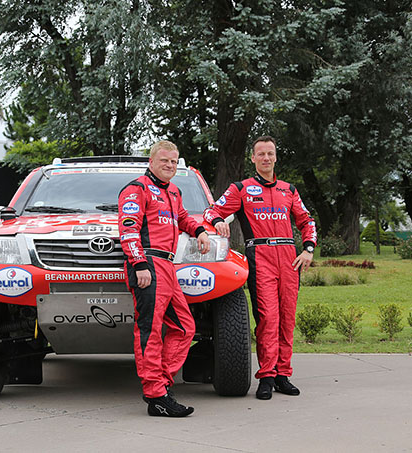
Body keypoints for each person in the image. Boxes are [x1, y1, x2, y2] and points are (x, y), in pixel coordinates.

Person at [203, 136, 317, 400]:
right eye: (261, 154)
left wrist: (308, 249)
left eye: (270, 153)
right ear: (252, 158)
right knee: (268, 318)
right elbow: (212, 212)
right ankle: (266, 376)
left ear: (276, 157)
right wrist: (218, 221)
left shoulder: (289, 190)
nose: (266, 158)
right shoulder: (241, 188)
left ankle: (282, 375)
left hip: (289, 258)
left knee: (287, 319)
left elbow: (307, 220)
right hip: (260, 255)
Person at [118, 140, 211, 417]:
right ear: (151, 162)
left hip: (169, 266)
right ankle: (156, 395)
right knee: (149, 331)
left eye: (173, 161)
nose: (169, 165)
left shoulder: (173, 191)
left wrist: (199, 231)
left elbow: (182, 218)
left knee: (184, 327)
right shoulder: (137, 189)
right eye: (164, 161)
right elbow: (128, 229)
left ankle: (162, 385)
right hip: (148, 263)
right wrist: (139, 264)